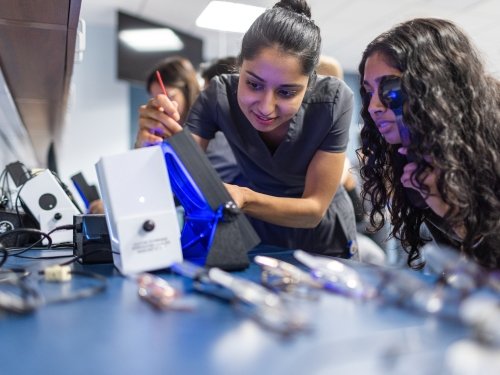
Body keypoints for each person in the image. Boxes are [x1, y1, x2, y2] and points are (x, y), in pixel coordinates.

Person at [136, 0, 358, 258]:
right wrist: (149, 143)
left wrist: (244, 197)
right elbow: (178, 181)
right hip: (261, 235)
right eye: (253, 84)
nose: (266, 107)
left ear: (309, 85)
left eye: (286, 92)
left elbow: (313, 210)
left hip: (323, 239)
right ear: (239, 67)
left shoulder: (334, 101)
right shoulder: (218, 95)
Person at [358, 18, 500, 269]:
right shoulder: (413, 155)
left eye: (390, 89)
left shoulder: (491, 146)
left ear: (436, 87)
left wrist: (453, 214)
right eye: (369, 92)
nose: (373, 107)